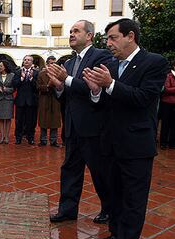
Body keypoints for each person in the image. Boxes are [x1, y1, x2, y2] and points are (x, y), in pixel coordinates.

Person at [82, 18, 168, 239]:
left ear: (130, 36)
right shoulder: (110, 65)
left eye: (113, 38)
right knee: (114, 196)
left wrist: (110, 85)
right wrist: (96, 91)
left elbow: (143, 99)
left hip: (136, 146)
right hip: (110, 144)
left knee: (133, 200)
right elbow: (103, 104)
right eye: (106, 39)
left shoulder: (154, 62)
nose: (108, 44)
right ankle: (117, 234)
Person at [46, 20, 113, 224]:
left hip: (93, 127)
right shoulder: (68, 62)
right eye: (70, 31)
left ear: (89, 36)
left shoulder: (101, 56)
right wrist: (58, 87)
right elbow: (66, 95)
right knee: (70, 169)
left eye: (76, 31)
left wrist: (66, 80)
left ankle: (109, 209)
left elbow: (95, 88)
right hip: (72, 126)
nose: (71, 34)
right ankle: (67, 210)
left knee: (100, 172)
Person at [12, 55, 39, 145]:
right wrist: (21, 78)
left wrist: (31, 79)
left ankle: (30, 137)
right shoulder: (18, 72)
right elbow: (14, 84)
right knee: (19, 120)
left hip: (31, 101)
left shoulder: (36, 73)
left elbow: (37, 87)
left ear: (32, 62)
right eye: (25, 60)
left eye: (29, 60)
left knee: (31, 121)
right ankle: (18, 138)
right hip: (20, 100)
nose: (26, 61)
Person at [37, 56, 61, 147]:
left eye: (55, 63)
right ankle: (43, 140)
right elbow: (38, 87)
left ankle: (53, 140)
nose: (53, 65)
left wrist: (56, 84)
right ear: (47, 64)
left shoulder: (58, 74)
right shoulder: (41, 74)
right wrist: (47, 86)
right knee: (43, 120)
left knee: (55, 120)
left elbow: (61, 86)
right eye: (51, 63)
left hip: (55, 100)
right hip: (44, 99)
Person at [0, 60, 15, 144]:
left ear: (5, 66)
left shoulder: (12, 75)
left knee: (8, 118)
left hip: (8, 99)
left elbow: (13, 88)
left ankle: (7, 136)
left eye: (1, 66)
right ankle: (2, 136)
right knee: (1, 119)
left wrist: (7, 89)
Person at [160, 60, 175, 149]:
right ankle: (163, 142)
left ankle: (172, 143)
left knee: (174, 124)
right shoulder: (169, 76)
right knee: (165, 123)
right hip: (167, 103)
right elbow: (166, 89)